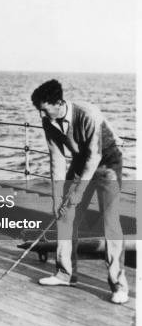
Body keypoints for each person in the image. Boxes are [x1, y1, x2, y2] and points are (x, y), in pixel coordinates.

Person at [31, 79, 128, 304]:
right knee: (65, 215)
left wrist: (77, 191)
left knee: (111, 221)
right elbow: (56, 158)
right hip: (80, 161)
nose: (42, 114)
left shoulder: (88, 113)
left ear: (59, 102)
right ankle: (65, 274)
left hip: (107, 163)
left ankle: (119, 285)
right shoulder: (48, 121)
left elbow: (95, 156)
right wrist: (59, 197)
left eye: (44, 109)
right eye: (39, 110)